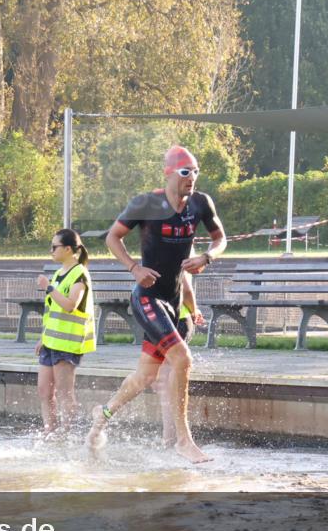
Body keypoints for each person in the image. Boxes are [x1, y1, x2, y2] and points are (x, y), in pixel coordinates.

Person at [86, 146, 226, 464]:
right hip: (147, 297)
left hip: (173, 301)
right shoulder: (146, 203)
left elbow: (221, 238)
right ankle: (183, 441)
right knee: (183, 358)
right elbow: (112, 237)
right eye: (185, 171)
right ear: (169, 173)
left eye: (196, 171)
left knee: (145, 377)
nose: (192, 177)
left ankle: (102, 415)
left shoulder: (201, 203)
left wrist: (207, 257)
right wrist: (134, 268)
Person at [34, 229, 95, 435]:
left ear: (68, 249)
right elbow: (51, 311)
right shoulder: (58, 273)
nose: (51, 250)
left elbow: (70, 305)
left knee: (64, 393)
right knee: (44, 390)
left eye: (55, 247)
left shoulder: (80, 274)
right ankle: (50, 432)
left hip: (68, 344)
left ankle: (68, 434)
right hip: (51, 341)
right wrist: (43, 337)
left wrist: (49, 288)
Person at [156, 271, 204, 447]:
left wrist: (194, 310)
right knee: (165, 377)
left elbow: (186, 288)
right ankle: (170, 435)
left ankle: (171, 437)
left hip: (174, 320)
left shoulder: (175, 255)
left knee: (167, 377)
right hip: (175, 319)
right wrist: (194, 310)